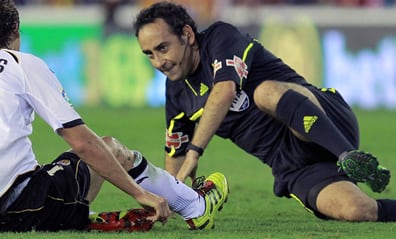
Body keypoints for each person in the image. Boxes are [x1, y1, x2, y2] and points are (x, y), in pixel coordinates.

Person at [0, 0, 228, 233]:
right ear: (14, 31)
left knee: (52, 174)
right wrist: (139, 193)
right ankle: (196, 206)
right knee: (110, 148)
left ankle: (78, 218)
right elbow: (82, 142)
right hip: (15, 207)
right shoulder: (19, 64)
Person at [133, 1, 395, 222]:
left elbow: (224, 90)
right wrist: (166, 201)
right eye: (149, 54)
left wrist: (196, 151)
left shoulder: (219, 38)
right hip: (294, 166)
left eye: (162, 48)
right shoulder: (176, 94)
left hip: (324, 122)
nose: (159, 62)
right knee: (357, 210)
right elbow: (175, 158)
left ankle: (350, 156)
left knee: (264, 92)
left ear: (188, 35)